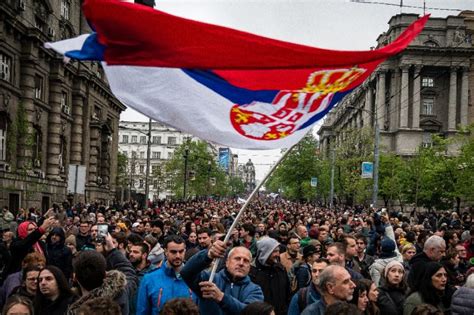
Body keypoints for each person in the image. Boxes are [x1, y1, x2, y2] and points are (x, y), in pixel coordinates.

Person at [181, 240, 264, 315]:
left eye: (246, 261)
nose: (241, 263)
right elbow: (186, 272)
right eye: (237, 259)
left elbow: (250, 312)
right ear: (227, 262)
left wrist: (221, 297)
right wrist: (208, 255)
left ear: (249, 267)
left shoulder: (255, 290)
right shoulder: (210, 279)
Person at [67, 233, 138, 315]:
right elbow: (129, 273)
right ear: (105, 274)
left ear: (75, 277)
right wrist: (113, 250)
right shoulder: (119, 293)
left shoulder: (71, 308)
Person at [136, 235, 195, 315]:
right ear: (166, 251)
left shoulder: (194, 278)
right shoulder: (149, 279)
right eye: (173, 252)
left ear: (185, 251)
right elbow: (142, 311)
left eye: (181, 251)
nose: (178, 256)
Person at [249, 237, 290, 315]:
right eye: (274, 251)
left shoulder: (281, 269)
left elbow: (287, 293)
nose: (278, 254)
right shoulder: (251, 272)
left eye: (278, 251)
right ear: (265, 252)